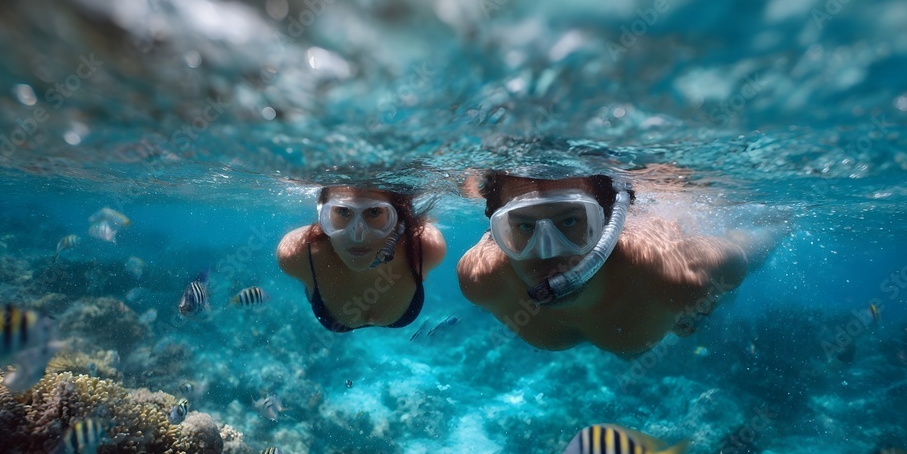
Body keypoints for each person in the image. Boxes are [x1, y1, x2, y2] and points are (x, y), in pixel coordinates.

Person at [456, 171, 783, 355]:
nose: (547, 253)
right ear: (494, 228)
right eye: (523, 226)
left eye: (570, 222)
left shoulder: (673, 277)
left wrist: (714, 296)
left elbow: (740, 257)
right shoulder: (481, 279)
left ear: (612, 222)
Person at [278, 186, 446, 332]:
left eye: (374, 211)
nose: (357, 236)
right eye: (343, 211)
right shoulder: (297, 254)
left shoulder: (426, 246)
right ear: (324, 214)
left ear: (397, 217)